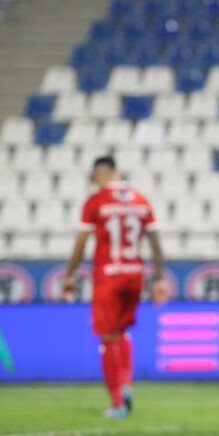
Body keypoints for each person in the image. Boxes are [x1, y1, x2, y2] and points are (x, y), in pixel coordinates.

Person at [61, 155, 165, 418]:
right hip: (134, 275)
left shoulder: (95, 201)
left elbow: (82, 242)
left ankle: (118, 401)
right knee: (121, 331)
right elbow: (154, 243)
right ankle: (127, 384)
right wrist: (160, 279)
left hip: (108, 275)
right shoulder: (141, 200)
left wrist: (69, 274)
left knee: (107, 336)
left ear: (98, 174)